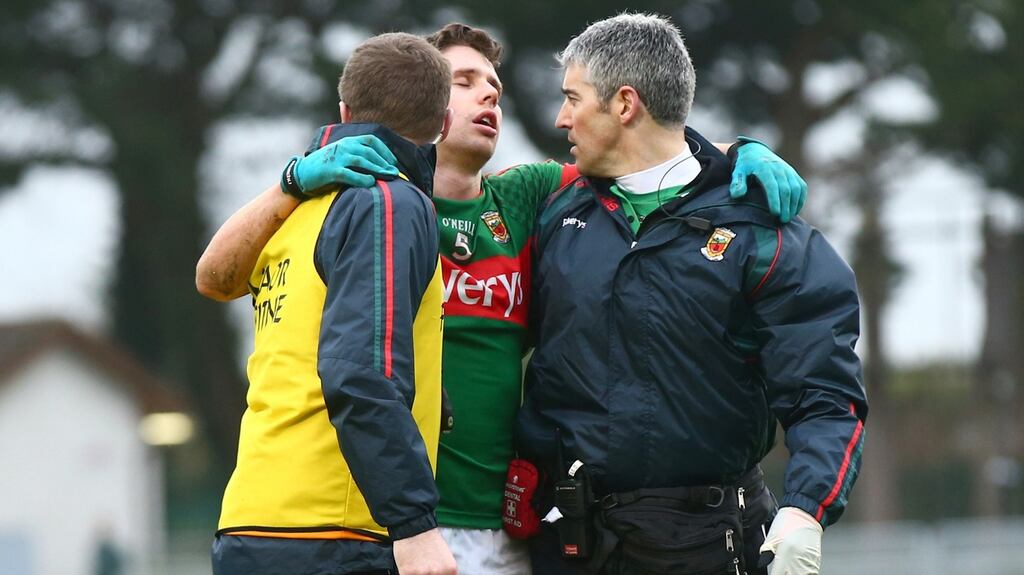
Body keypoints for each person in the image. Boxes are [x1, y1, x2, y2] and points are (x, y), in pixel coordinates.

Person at [196, 24, 809, 574]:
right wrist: (290, 179)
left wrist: (732, 151)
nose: (490, 93)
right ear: (433, 106)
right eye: (464, 80)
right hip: (403, 520)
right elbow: (216, 276)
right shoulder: (361, 198)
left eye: (494, 84)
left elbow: (644, 150)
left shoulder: (524, 196)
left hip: (507, 519)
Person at [516, 13, 867, 575]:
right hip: (565, 543)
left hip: (708, 541)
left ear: (625, 104)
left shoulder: (764, 235)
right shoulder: (552, 214)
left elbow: (825, 396)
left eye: (572, 98)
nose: (561, 118)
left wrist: (806, 510)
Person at [208, 32, 457, 575]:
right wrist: (414, 526)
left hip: (249, 525)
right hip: (334, 532)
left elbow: (213, 278)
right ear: (443, 126)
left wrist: (292, 180)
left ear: (343, 110)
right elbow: (358, 373)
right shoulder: (390, 201)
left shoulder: (291, 208)